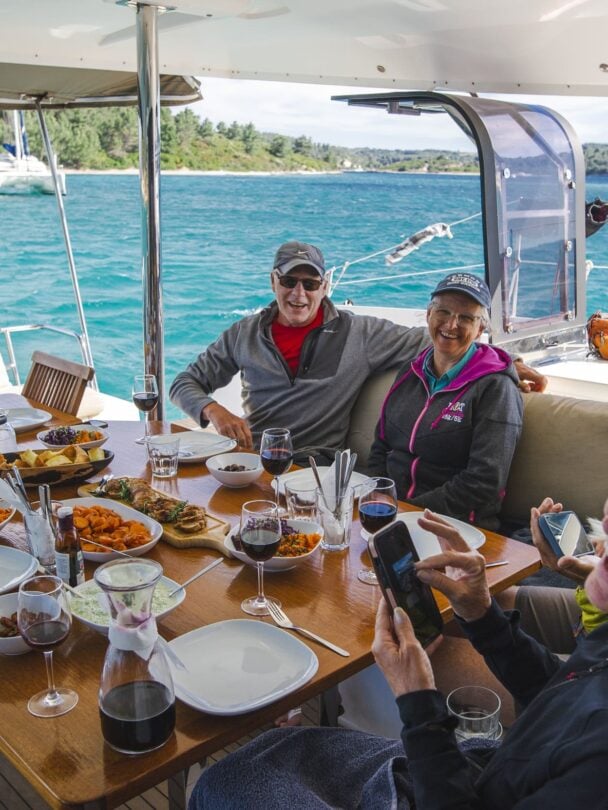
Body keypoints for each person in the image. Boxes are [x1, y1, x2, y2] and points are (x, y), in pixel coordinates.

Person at [189, 508, 608, 809]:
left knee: (225, 780)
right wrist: (484, 617)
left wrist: (419, 706)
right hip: (487, 763)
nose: (603, 526)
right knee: (274, 747)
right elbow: (559, 692)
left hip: (459, 787)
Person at [169, 242, 546, 457]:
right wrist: (213, 410)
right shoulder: (243, 333)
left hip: (316, 467)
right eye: (289, 280)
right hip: (254, 459)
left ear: (325, 286)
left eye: (310, 283)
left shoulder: (359, 333)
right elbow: (183, 382)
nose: (298, 294)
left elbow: (444, 335)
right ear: (273, 281)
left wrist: (506, 363)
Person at [367, 272, 522, 531]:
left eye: (465, 318)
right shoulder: (410, 370)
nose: (451, 325)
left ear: (480, 329)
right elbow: (380, 445)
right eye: (444, 312)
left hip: (453, 525)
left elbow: (484, 480)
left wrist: (411, 513)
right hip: (392, 513)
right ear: (429, 315)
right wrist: (380, 494)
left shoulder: (496, 388)